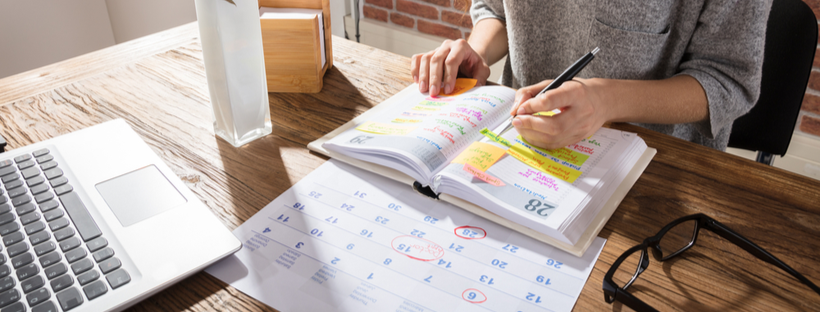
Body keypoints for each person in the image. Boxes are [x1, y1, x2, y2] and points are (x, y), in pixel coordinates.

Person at [410, 0, 772, 150]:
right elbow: (496, 8)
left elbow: (727, 78)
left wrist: (605, 101)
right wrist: (478, 50)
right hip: (519, 142)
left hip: (653, 167)